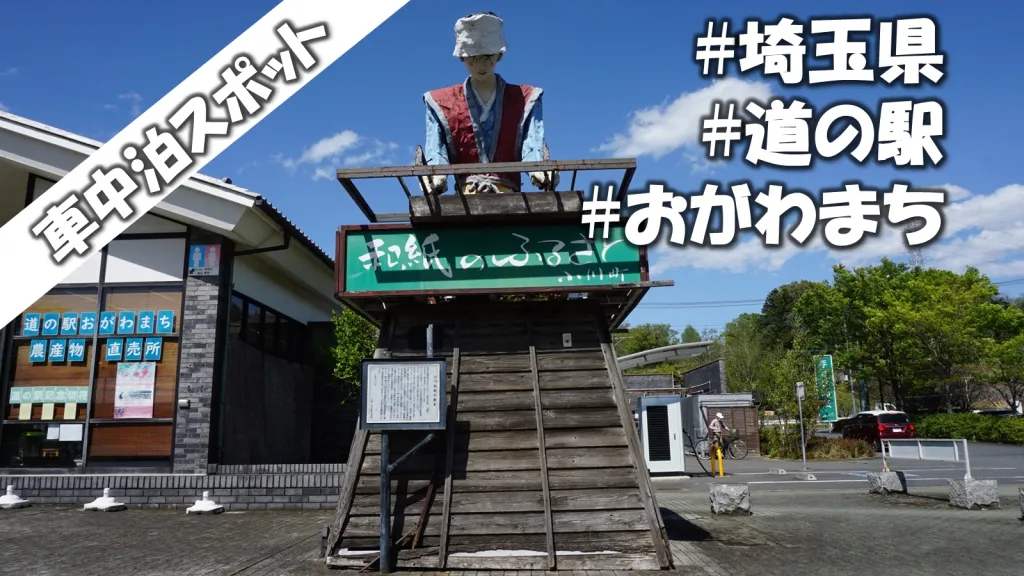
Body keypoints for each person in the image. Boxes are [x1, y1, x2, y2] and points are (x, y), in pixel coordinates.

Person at [420, 12, 558, 196]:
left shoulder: (526, 98)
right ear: (462, 57)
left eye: (487, 56)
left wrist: (539, 169)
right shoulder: (439, 101)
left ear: (498, 55)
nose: (480, 65)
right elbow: (436, 149)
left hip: (511, 197)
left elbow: (532, 144)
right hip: (464, 201)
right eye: (472, 58)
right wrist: (435, 174)